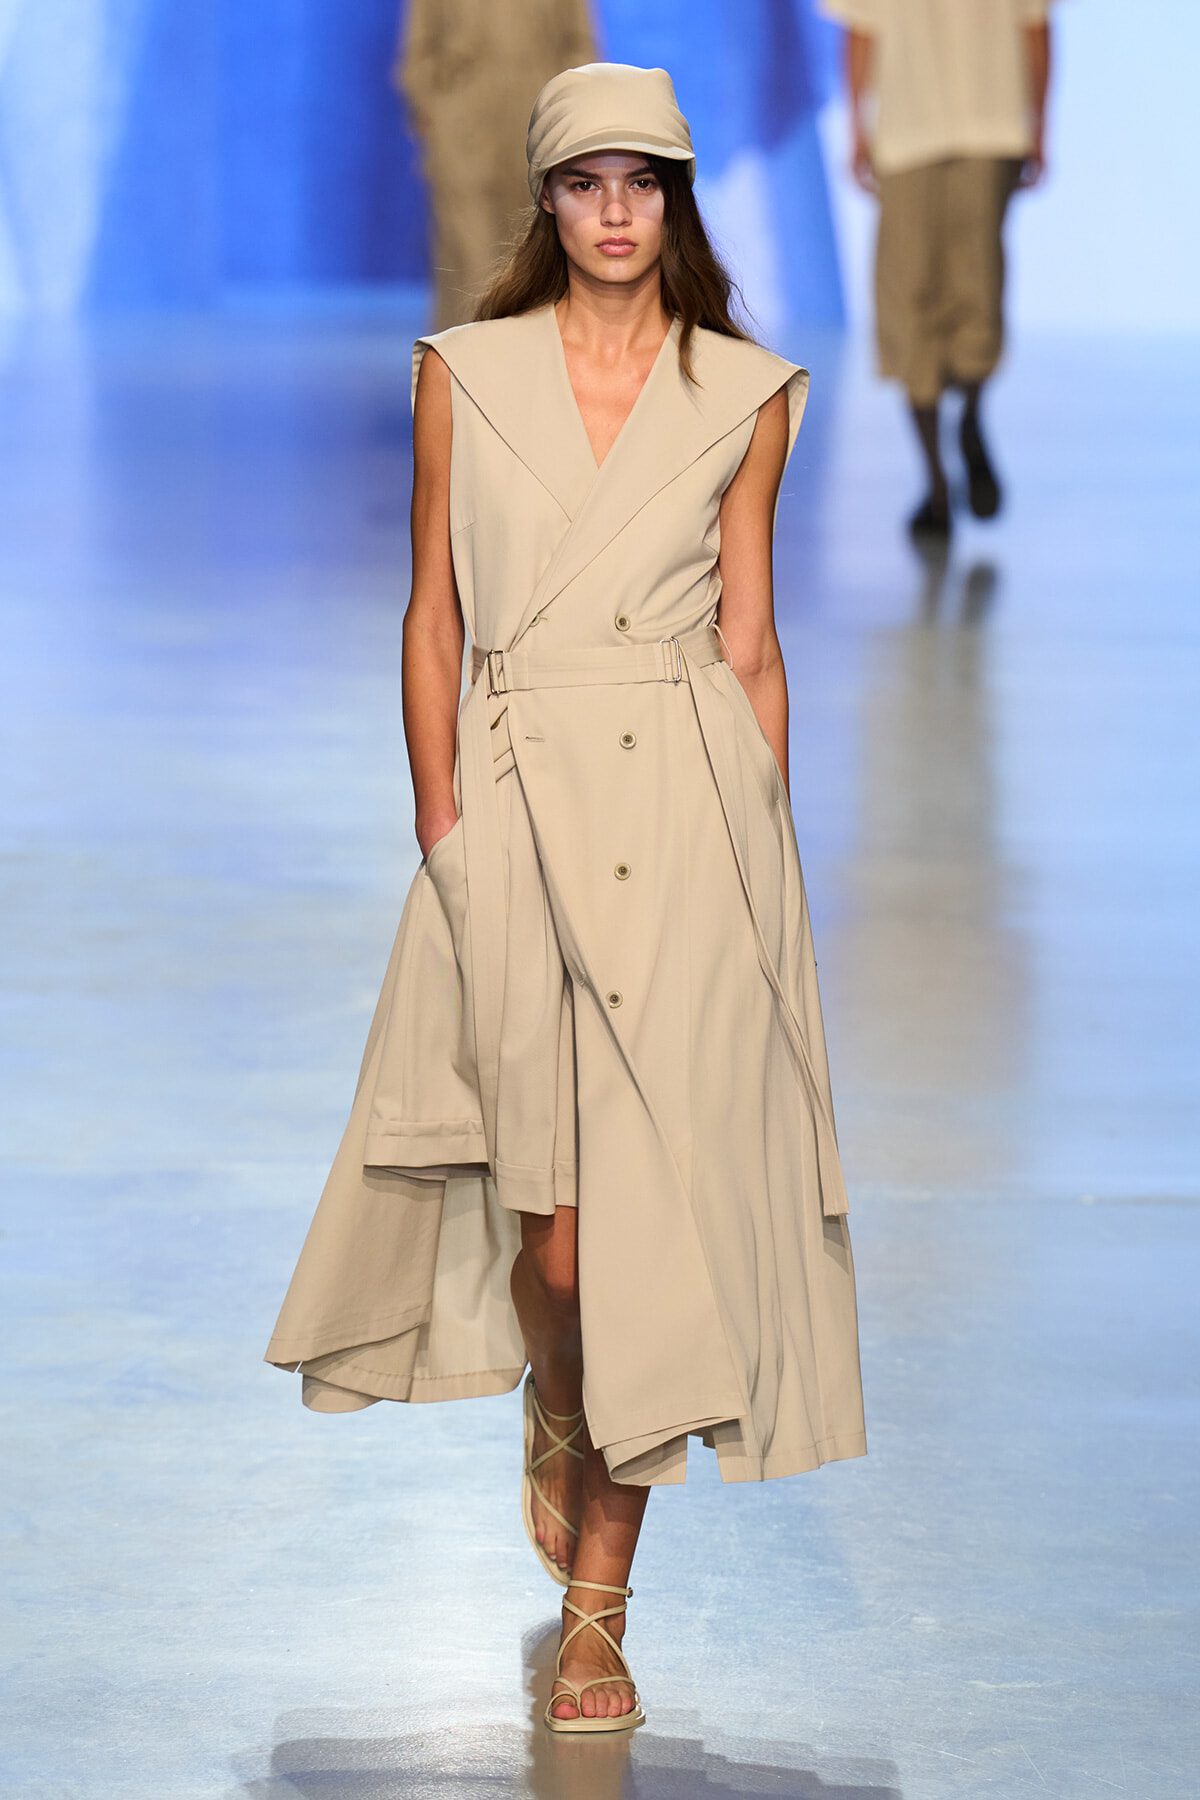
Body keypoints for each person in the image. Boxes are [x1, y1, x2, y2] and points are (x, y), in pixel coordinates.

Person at [266, 62, 865, 1735]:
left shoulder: (744, 391)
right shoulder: (467, 376)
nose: (617, 211)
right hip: (521, 811)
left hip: (687, 817)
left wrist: (768, 856)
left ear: (675, 204)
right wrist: (444, 825)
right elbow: (429, 614)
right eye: (587, 182)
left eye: (646, 182)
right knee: (563, 1244)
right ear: (546, 202)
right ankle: (553, 1393)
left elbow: (751, 643)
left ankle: (599, 1612)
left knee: (653, 1242)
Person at [822, 0, 1057, 537]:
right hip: (992, 125)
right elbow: (1036, 26)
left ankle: (935, 487)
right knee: (978, 287)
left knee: (910, 301)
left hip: (910, 126)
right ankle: (970, 417)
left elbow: (861, 30)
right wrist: (1039, 124)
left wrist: (858, 124)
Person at [396, 0, 595, 330]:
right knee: (470, 266)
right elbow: (418, 49)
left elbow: (580, 47)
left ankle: (534, 370)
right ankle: (462, 372)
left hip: (539, 123)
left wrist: (570, 119)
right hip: (464, 127)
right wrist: (434, 112)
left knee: (538, 261)